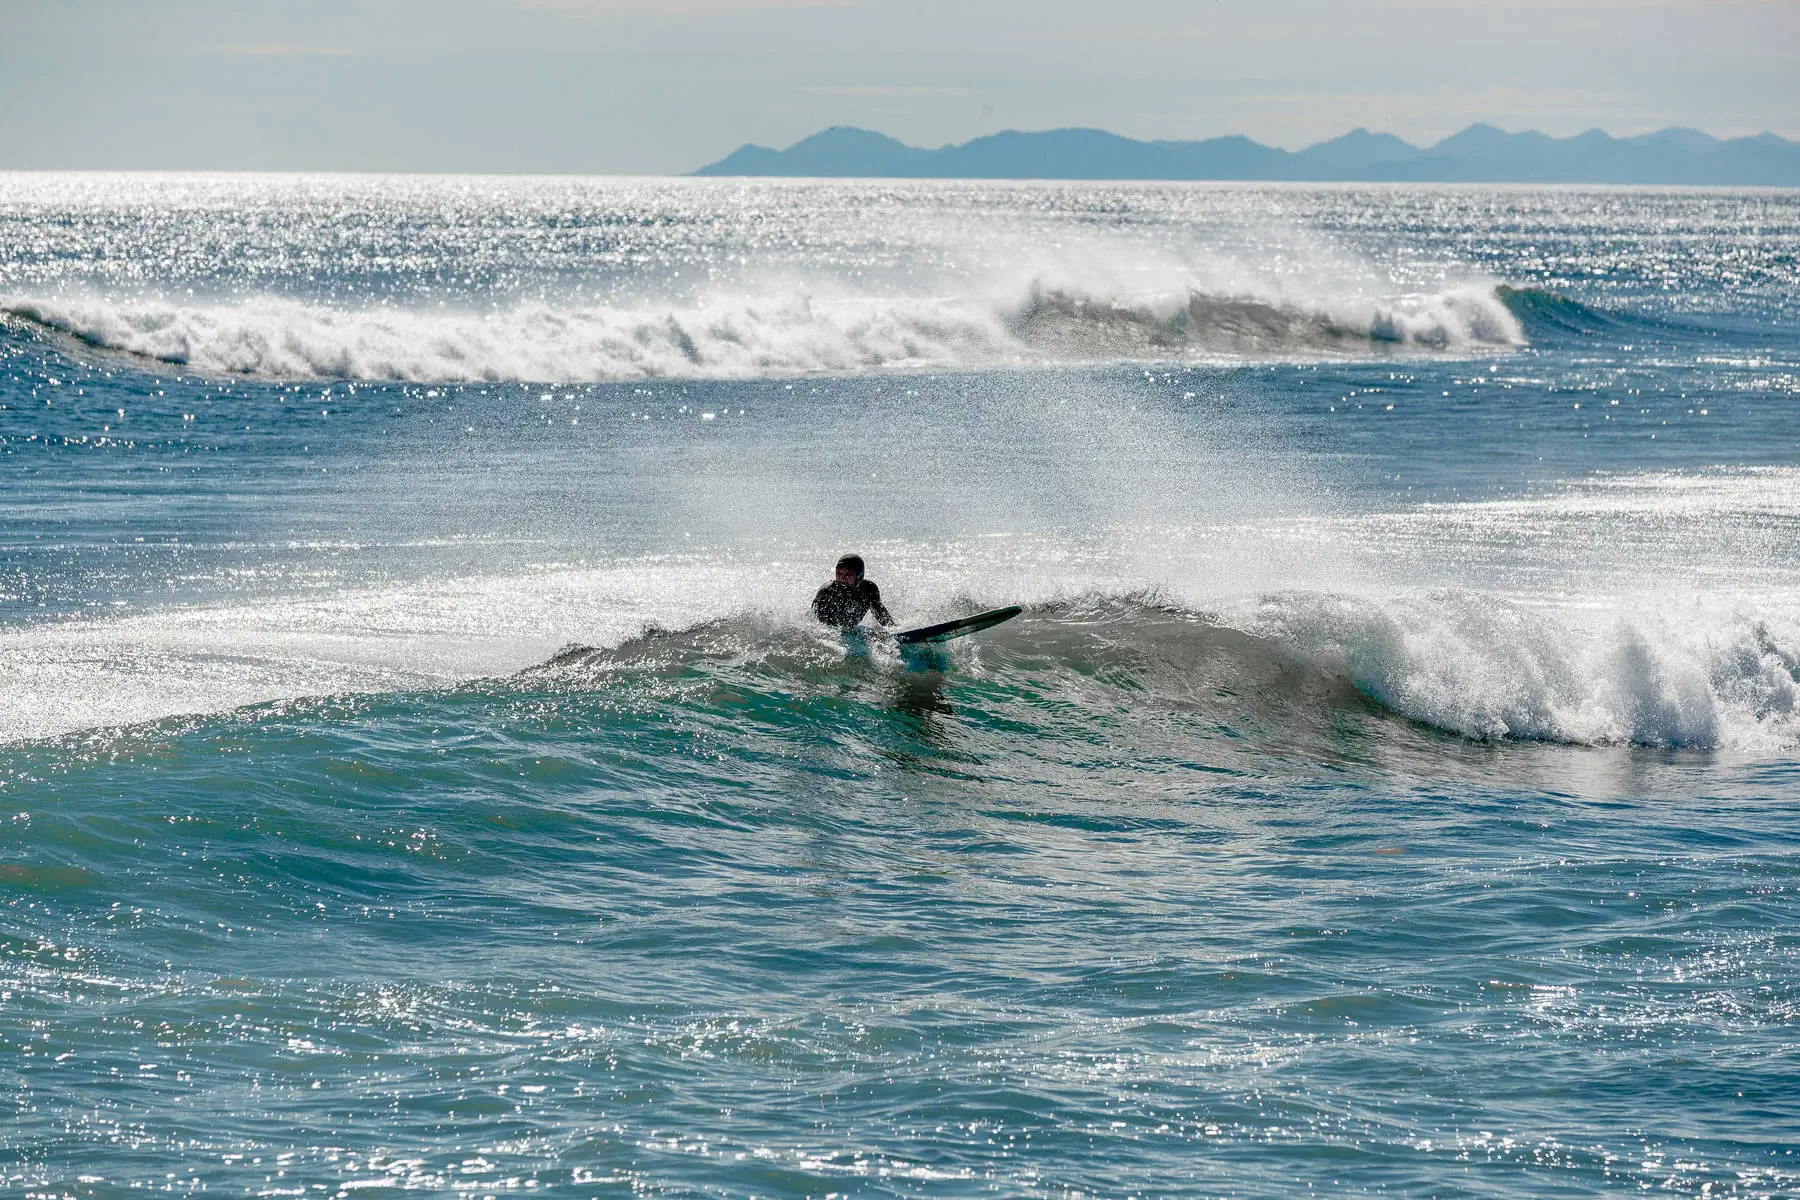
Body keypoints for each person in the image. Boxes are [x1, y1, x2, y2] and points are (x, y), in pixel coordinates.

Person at [812, 554, 894, 631]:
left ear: (859, 576)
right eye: (839, 573)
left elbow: (883, 618)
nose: (841, 578)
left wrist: (893, 631)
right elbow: (816, 625)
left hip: (850, 632)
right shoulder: (827, 592)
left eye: (847, 574)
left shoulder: (869, 589)